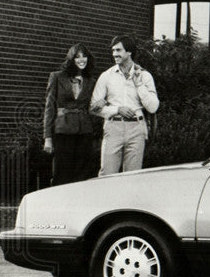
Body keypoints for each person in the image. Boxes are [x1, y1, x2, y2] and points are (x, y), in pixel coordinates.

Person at [90, 35, 159, 175]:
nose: (115, 54)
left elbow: (153, 107)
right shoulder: (106, 76)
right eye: (113, 50)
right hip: (113, 127)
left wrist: (139, 84)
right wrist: (117, 110)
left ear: (129, 52)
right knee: (107, 174)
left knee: (132, 176)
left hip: (137, 128)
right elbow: (93, 107)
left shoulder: (144, 76)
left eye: (119, 50)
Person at [43, 43, 98, 186]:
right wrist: (47, 137)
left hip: (84, 131)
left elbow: (93, 106)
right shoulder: (56, 77)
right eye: (77, 57)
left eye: (84, 56)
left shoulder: (91, 81)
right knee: (61, 173)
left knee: (82, 174)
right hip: (62, 131)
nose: (81, 60)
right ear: (71, 59)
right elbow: (49, 108)